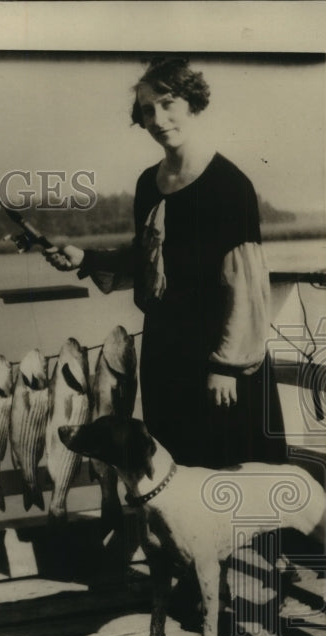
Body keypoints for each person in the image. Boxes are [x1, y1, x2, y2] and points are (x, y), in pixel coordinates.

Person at [46, 57, 287, 469]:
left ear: (191, 103)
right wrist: (85, 258)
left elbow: (245, 287)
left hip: (217, 355)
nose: (158, 119)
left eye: (167, 103)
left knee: (230, 469)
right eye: (147, 110)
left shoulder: (229, 185)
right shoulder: (148, 184)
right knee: (175, 465)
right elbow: (148, 259)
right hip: (164, 353)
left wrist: (226, 367)